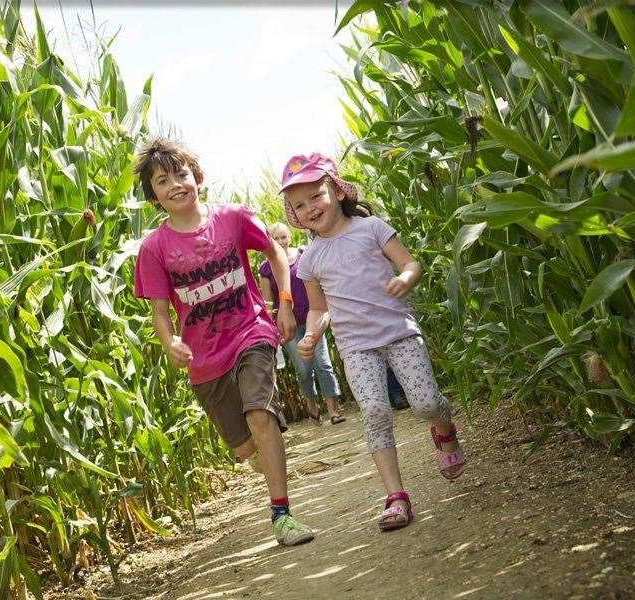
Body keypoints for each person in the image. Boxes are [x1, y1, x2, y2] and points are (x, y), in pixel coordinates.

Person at [132, 138, 314, 546]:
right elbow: (160, 312)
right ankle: (270, 466)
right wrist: (169, 342)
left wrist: (283, 303)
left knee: (260, 415)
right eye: (163, 180)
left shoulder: (232, 218)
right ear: (153, 194)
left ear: (197, 176)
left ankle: (281, 514)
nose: (176, 184)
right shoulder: (155, 248)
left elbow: (275, 253)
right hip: (205, 358)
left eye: (181, 174)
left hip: (251, 330)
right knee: (246, 448)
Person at [280, 152, 466, 532]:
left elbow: (410, 263)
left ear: (335, 188)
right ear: (294, 215)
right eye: (299, 205)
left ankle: (444, 429)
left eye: (316, 195)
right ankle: (396, 497)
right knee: (376, 412)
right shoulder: (310, 259)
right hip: (355, 346)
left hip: (399, 332)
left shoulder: (372, 228)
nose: (309, 208)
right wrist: (313, 333)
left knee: (427, 403)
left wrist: (406, 279)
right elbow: (318, 307)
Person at [259, 222, 346, 426]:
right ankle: (312, 407)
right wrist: (272, 325)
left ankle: (334, 409)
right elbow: (268, 300)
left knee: (323, 364)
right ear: (270, 240)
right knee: (304, 369)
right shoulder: (265, 268)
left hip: (312, 319)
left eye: (284, 237)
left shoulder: (303, 255)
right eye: (276, 238)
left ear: (289, 237)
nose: (281, 242)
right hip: (288, 326)